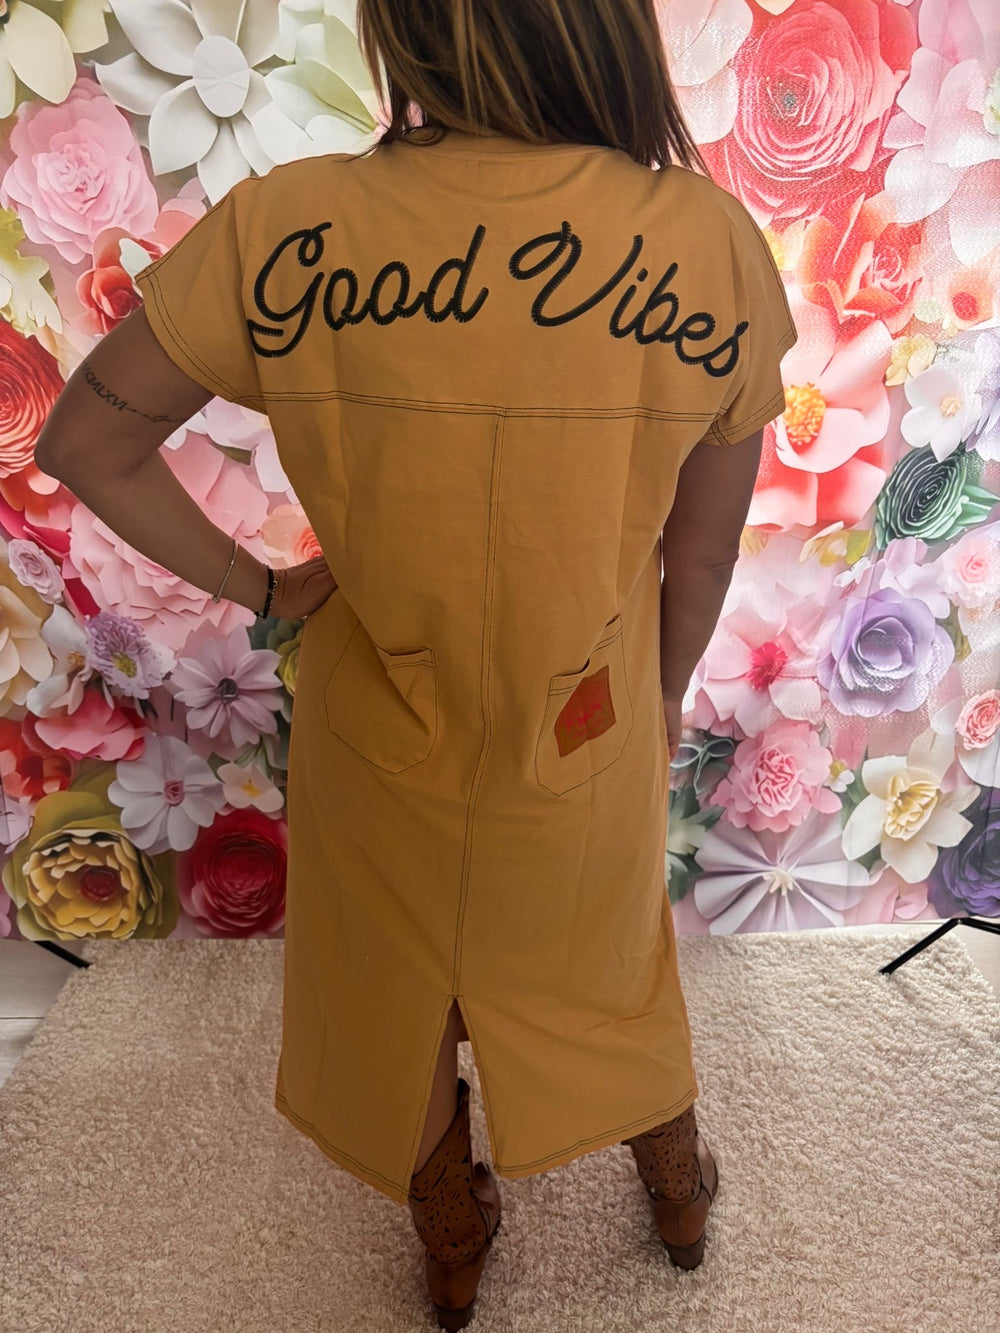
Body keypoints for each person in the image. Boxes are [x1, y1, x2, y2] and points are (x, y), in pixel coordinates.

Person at [35, 1, 797, 1327]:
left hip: (376, 703)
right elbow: (701, 550)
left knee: (399, 989)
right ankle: (677, 1190)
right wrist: (662, 693)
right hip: (584, 711)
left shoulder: (291, 225)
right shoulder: (709, 241)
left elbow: (86, 442)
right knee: (610, 959)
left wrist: (267, 587)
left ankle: (451, 1235)